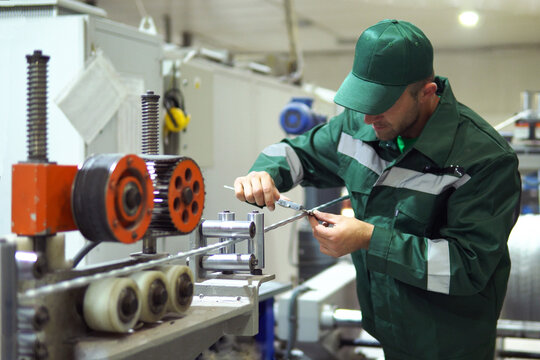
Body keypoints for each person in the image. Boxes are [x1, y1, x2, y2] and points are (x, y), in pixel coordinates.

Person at [234, 19, 521, 360]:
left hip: (451, 346)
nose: (369, 119)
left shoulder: (484, 158)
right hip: (389, 336)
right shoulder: (359, 125)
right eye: (363, 103)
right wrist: (264, 174)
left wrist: (370, 239)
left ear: (427, 93)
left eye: (381, 104)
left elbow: (467, 267)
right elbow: (296, 153)